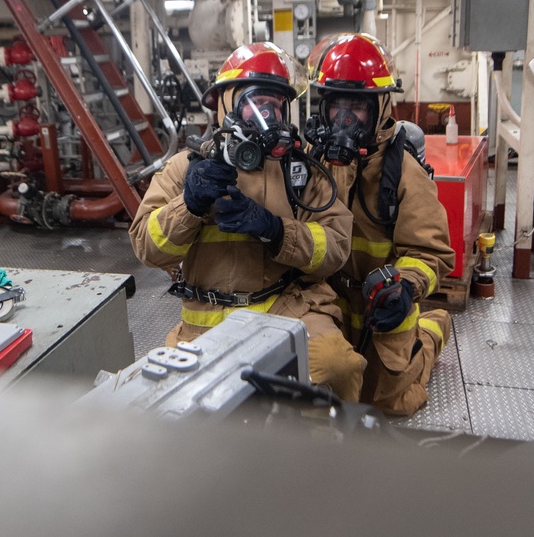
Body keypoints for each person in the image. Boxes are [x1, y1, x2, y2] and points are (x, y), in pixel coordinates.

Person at [129, 43, 366, 402]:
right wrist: (188, 204)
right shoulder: (185, 168)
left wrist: (275, 230)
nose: (266, 116)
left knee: (338, 367)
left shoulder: (300, 171)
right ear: (226, 106)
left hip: (287, 306)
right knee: (190, 402)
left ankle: (321, 452)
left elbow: (334, 248)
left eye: (275, 106)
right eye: (255, 103)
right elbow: (147, 248)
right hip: (206, 316)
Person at [304, 33, 454, 417]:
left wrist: (405, 287)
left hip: (381, 305)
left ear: (381, 108)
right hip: (327, 303)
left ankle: (433, 330)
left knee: (389, 402)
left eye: (357, 108)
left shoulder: (404, 172)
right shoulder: (311, 163)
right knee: (324, 386)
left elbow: (431, 251)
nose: (344, 120)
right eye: (337, 107)